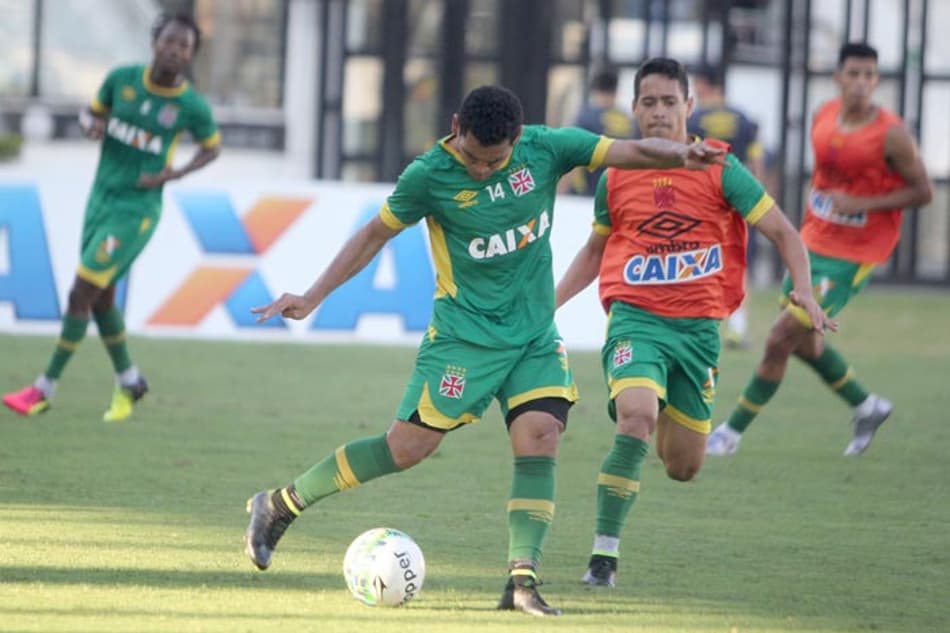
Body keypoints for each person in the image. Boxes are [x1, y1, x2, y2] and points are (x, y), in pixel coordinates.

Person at [243, 85, 725, 616]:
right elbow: (372, 236)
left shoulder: (547, 148)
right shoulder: (429, 175)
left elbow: (625, 151)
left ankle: (522, 580)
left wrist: (685, 154)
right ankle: (279, 504)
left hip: (534, 337)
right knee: (406, 449)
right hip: (463, 340)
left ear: (516, 141)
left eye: (492, 160)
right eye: (471, 156)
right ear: (456, 125)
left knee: (541, 437)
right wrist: (313, 296)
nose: (478, 168)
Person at [554, 57, 833, 588]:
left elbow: (786, 233)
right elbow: (595, 251)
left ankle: (658, 412)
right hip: (637, 321)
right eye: (648, 102)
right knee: (634, 416)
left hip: (700, 331)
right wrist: (548, 306)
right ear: (633, 109)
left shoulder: (721, 169)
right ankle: (602, 559)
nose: (658, 112)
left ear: (689, 105)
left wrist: (801, 288)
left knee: (683, 467)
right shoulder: (614, 176)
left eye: (668, 102)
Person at [706, 42, 933, 458]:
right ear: (839, 77)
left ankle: (729, 433)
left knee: (778, 338)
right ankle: (866, 405)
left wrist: (863, 204)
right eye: (854, 74)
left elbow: (923, 192)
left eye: (870, 74)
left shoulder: (892, 134)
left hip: (855, 253)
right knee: (803, 342)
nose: (862, 82)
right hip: (812, 241)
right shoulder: (823, 116)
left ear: (876, 80)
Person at [2, 14, 221, 422]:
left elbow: (212, 147)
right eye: (170, 42)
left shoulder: (190, 106)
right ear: (155, 42)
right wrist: (90, 124)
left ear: (191, 56)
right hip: (101, 198)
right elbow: (91, 113)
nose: (175, 51)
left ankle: (42, 389)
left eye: (185, 47)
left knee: (80, 292)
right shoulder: (121, 79)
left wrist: (174, 173)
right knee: (102, 298)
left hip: (136, 210)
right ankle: (130, 381)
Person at [688, 63, 767, 349]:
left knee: (700, 257)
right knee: (739, 261)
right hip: (737, 197)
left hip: (704, 199)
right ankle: (737, 328)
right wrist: (755, 196)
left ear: (705, 85)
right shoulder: (744, 119)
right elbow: (757, 159)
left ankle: (701, 319)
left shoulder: (695, 119)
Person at [561, 67, 635, 195]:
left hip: (587, 195)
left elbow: (570, 155)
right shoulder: (628, 120)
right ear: (616, 90)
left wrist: (561, 193)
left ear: (594, 90)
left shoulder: (586, 118)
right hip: (620, 193)